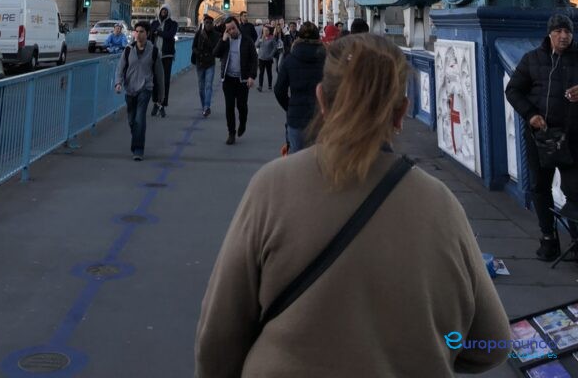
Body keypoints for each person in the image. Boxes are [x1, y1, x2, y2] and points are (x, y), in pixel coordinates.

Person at [195, 34, 510, 377]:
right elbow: (493, 343)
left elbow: (218, 338)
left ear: (322, 101)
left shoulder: (271, 188)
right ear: (402, 112)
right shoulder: (441, 204)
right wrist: (434, 341)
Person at [506, 12, 578, 260]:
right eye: (558, 31)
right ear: (549, 34)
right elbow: (513, 90)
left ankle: (576, 241)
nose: (563, 36)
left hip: (572, 136)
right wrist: (530, 115)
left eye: (567, 31)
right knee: (540, 187)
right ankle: (549, 239)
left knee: (575, 190)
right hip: (540, 136)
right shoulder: (531, 59)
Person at [114, 21, 164, 161]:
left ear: (147, 34)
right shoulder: (128, 50)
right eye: (136, 31)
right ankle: (137, 139)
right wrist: (118, 83)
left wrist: (161, 95)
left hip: (145, 88)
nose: (138, 34)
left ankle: (138, 149)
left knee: (140, 118)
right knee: (131, 121)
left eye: (142, 31)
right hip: (130, 89)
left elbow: (160, 75)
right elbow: (120, 68)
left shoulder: (154, 51)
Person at [274, 21, 325, 152]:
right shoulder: (327, 59)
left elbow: (279, 89)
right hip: (320, 117)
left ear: (298, 37)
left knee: (295, 160)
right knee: (320, 160)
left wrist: (290, 105)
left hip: (296, 116)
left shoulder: (290, 59)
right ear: (318, 38)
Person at [214, 15, 258, 145]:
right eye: (228, 30)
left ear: (237, 26)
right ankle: (231, 133)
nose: (231, 31)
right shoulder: (225, 40)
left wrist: (252, 76)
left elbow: (254, 59)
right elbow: (215, 54)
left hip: (242, 80)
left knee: (242, 106)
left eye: (233, 28)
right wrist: (223, 40)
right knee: (229, 107)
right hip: (228, 79)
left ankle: (243, 122)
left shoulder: (247, 40)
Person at [150, 5, 178, 117]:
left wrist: (158, 33)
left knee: (165, 81)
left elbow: (170, 35)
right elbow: (150, 34)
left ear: (169, 12)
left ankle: (162, 105)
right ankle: (156, 103)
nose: (164, 12)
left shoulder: (173, 24)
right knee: (155, 81)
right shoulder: (154, 23)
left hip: (167, 55)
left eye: (166, 11)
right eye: (162, 10)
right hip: (155, 55)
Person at [191, 14, 220, 117]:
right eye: (206, 22)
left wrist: (207, 41)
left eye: (210, 23)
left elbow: (216, 48)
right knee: (201, 88)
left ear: (213, 24)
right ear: (204, 23)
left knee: (208, 86)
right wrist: (198, 53)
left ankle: (207, 106)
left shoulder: (216, 35)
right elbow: (193, 47)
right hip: (200, 63)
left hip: (210, 63)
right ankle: (204, 107)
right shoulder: (199, 33)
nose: (208, 24)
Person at [256, 24, 277, 92]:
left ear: (269, 31)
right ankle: (260, 86)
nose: (265, 32)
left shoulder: (272, 38)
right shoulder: (261, 37)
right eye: (264, 30)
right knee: (261, 73)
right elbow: (257, 45)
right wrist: (261, 39)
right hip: (261, 58)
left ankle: (270, 85)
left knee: (269, 72)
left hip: (268, 58)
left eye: (266, 30)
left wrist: (271, 55)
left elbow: (275, 48)